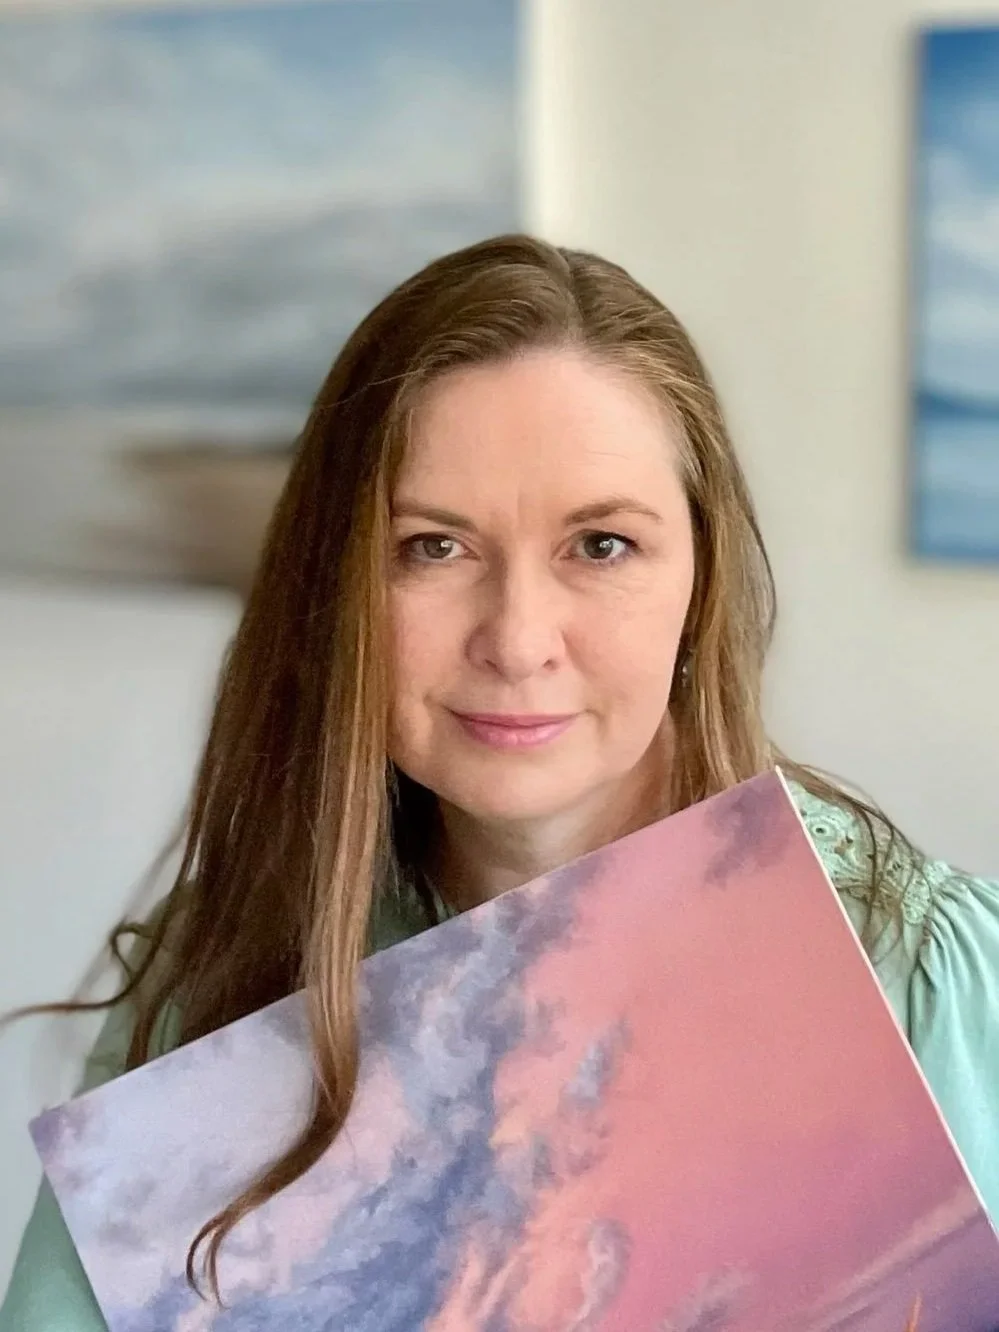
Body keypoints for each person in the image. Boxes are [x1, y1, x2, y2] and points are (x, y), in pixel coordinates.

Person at [3, 234, 998, 1329]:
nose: (518, 641)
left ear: (701, 580)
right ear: (334, 590)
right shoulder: (221, 982)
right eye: (433, 548)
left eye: (601, 545)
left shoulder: (924, 974)